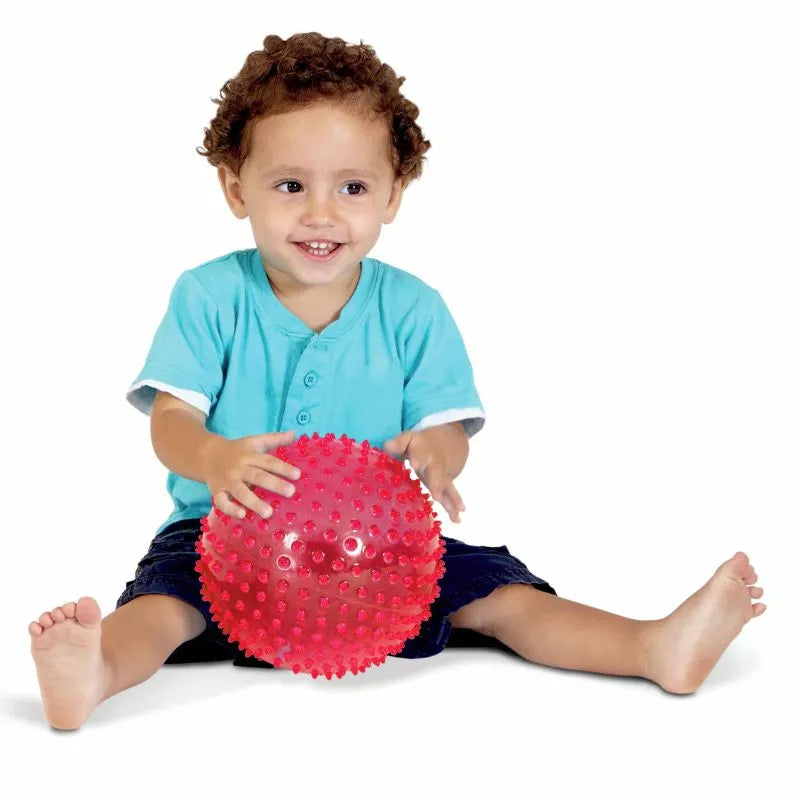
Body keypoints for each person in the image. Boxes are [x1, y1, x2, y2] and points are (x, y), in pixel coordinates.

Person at [29, 32, 766, 730]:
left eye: (353, 186)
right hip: (224, 538)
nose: (321, 212)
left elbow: (446, 426)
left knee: (501, 597)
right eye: (290, 184)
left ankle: (651, 647)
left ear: (393, 195)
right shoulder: (208, 296)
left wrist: (439, 453)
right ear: (235, 188)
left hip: (377, 555)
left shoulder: (414, 308)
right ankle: (94, 672)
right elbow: (170, 421)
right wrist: (216, 459)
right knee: (166, 607)